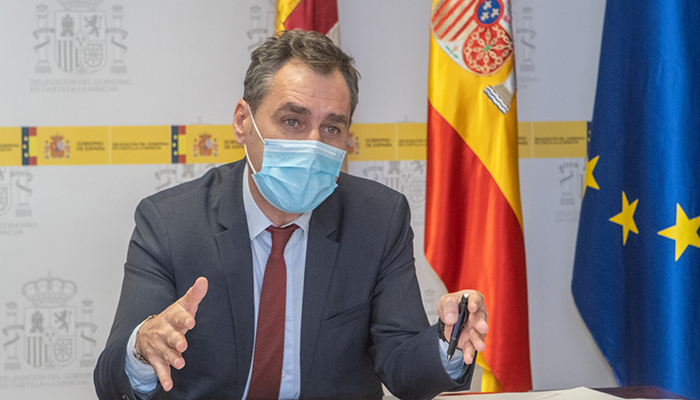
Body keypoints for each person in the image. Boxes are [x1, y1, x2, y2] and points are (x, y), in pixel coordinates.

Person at [94, 30, 488, 400]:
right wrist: (143, 349)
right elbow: (111, 382)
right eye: (292, 121)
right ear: (242, 121)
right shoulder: (170, 222)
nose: (313, 144)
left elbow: (402, 366)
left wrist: (448, 342)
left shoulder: (379, 219)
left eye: (331, 128)